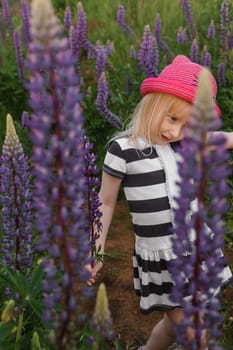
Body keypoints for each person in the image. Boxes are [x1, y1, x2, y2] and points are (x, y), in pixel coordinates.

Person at [87, 55, 233, 350]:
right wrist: (96, 248)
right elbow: (105, 203)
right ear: (153, 102)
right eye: (173, 118)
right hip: (162, 259)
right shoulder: (123, 150)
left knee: (173, 325)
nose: (174, 132)